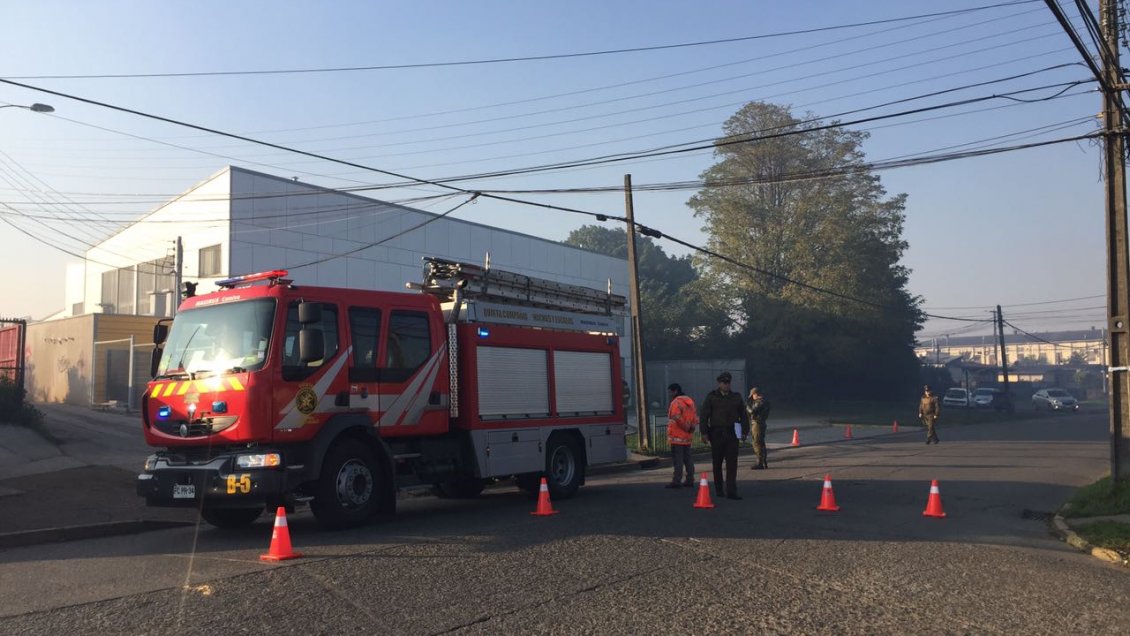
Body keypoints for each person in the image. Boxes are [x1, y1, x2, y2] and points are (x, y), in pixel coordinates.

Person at [700, 372, 749, 500]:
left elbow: (743, 415)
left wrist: (744, 431)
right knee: (717, 463)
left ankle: (731, 491)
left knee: (732, 463)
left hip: (732, 433)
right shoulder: (712, 397)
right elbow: (704, 415)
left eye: (728, 383)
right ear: (719, 383)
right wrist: (704, 433)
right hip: (716, 433)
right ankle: (719, 489)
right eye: (724, 383)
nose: (726, 385)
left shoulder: (736, 397)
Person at [664, 383, 698, 489]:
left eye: (670, 392)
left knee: (678, 460)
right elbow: (695, 417)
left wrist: (685, 427)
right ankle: (690, 479)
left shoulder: (676, 402)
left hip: (677, 436)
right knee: (688, 458)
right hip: (687, 437)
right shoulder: (690, 402)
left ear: (675, 391)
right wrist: (691, 428)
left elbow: (676, 417)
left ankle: (676, 480)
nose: (669, 394)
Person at [746, 387, 771, 469]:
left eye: (752, 395)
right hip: (762, 423)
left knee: (756, 443)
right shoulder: (765, 401)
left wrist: (747, 407)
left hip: (757, 423)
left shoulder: (759, 402)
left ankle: (759, 462)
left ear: (755, 394)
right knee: (761, 442)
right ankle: (764, 461)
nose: (752, 397)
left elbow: (752, 411)